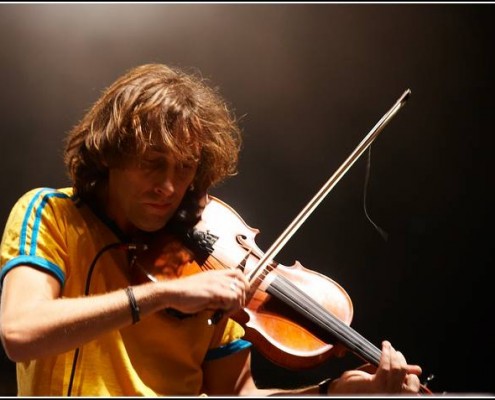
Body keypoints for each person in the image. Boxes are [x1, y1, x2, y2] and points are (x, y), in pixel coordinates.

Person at [0, 63, 423, 396]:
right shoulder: (54, 214)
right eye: (152, 162)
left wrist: (338, 392)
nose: (169, 187)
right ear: (111, 153)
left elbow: (238, 395)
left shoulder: (208, 266)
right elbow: (21, 333)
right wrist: (163, 295)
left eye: (184, 169)